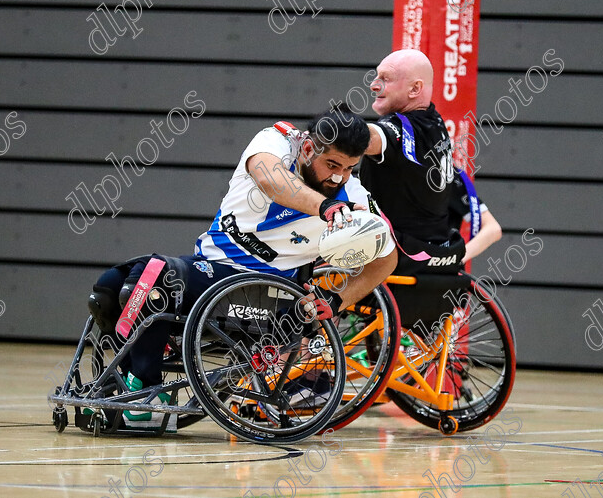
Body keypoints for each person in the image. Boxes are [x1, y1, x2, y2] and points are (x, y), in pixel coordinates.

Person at [87, 104, 397, 431]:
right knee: (110, 287)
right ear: (307, 148)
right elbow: (269, 179)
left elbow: (387, 258)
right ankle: (127, 379)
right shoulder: (276, 141)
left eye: (349, 168)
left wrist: (335, 302)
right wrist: (325, 207)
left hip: (265, 295)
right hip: (209, 271)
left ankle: (147, 397)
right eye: (332, 164)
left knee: (155, 275)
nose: (339, 177)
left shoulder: (354, 199)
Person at [360, 49, 465, 277]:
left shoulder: (403, 127)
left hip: (397, 258)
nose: (374, 86)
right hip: (436, 260)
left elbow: (370, 137)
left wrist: (328, 130)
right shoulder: (434, 122)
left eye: (385, 79)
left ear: (415, 89)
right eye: (376, 77)